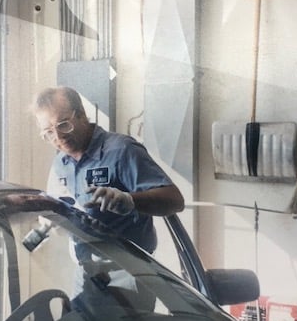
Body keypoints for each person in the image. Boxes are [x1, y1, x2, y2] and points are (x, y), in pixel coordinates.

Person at [32, 86, 184, 255]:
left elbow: (175, 200)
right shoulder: (60, 163)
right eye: (49, 133)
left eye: (63, 125)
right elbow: (57, 206)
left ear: (81, 114)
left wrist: (130, 200)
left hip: (130, 269)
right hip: (85, 268)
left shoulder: (122, 150)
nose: (58, 137)